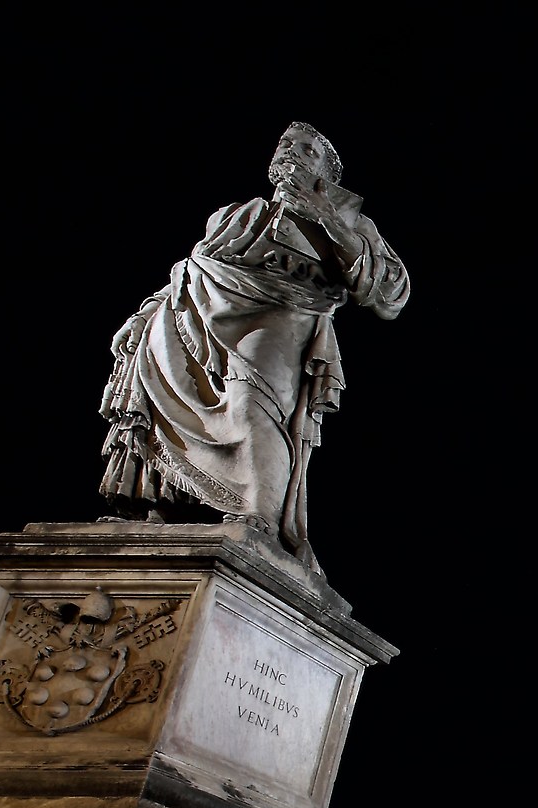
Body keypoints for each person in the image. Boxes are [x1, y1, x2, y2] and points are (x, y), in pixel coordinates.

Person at [99, 123, 410, 553]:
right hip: (195, 313)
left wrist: (325, 217)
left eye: (307, 150)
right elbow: (194, 270)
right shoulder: (238, 214)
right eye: (286, 143)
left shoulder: (348, 219)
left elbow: (390, 291)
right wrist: (146, 313)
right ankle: (152, 505)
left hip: (285, 315)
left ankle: (259, 515)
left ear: (327, 173)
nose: (291, 152)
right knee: (162, 394)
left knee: (254, 404)